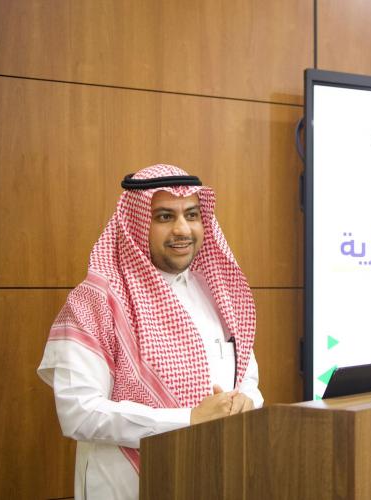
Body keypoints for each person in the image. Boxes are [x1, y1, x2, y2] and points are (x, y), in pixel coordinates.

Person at [38, 164, 262, 499]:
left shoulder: (219, 292)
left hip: (211, 477)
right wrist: (188, 419)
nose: (182, 229)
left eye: (192, 214)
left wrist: (246, 403)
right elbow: (79, 412)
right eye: (164, 217)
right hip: (125, 485)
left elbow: (247, 379)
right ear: (137, 222)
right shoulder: (96, 300)